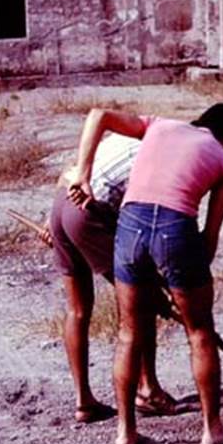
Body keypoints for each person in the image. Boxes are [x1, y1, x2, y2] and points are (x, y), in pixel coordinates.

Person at [68, 103, 223, 444]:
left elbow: (98, 115)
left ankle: (126, 434)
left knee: (128, 333)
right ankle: (212, 429)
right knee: (200, 332)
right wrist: (189, 282)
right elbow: (209, 239)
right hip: (176, 228)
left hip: (130, 226)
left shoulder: (159, 125)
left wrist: (83, 175)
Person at [48, 133, 175, 423]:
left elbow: (69, 171)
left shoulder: (120, 138)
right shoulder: (161, 159)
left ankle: (84, 402)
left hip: (61, 204)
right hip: (86, 213)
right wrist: (162, 284)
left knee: (77, 309)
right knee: (141, 301)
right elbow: (143, 223)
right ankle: (147, 390)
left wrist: (52, 222)